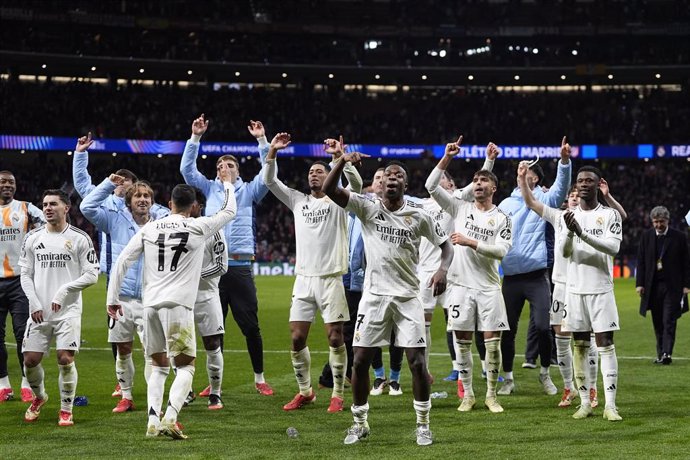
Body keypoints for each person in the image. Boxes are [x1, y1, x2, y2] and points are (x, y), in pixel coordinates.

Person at [323, 155, 453, 446]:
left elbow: (447, 247)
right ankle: (360, 423)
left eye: (398, 175)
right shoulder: (366, 206)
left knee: (417, 363)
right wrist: (342, 162)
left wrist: (442, 270)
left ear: (405, 184)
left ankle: (423, 425)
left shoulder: (419, 215)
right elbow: (331, 190)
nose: (392, 177)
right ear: (380, 185)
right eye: (388, 175)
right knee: (359, 361)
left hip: (408, 297)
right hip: (374, 297)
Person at [106, 180, 237, 439]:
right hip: (178, 305)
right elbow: (230, 211)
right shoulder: (198, 226)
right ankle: (171, 417)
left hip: (150, 305)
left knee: (158, 366)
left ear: (169, 204)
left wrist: (112, 298)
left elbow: (122, 260)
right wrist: (228, 185)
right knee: (186, 367)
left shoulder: (150, 227)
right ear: (192, 207)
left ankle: (152, 421)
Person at [264, 134, 362, 413]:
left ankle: (339, 395)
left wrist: (339, 158)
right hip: (304, 279)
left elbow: (355, 185)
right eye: (311, 172)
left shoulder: (338, 202)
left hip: (332, 278)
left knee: (335, 338)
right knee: (296, 338)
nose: (315, 175)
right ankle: (305, 392)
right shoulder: (298, 201)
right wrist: (271, 151)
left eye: (320, 171)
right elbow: (270, 182)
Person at [520, 162, 624, 421]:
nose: (584, 184)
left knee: (605, 345)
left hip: (601, 289)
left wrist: (581, 233)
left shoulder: (610, 215)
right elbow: (566, 252)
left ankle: (610, 405)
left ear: (597, 185)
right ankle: (585, 402)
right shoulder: (567, 216)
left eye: (589, 181)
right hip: (574, 291)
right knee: (579, 347)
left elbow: (612, 249)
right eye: (580, 181)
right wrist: (570, 232)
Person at [180, 115, 273, 396]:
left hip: (241, 267)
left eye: (229, 165)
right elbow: (187, 170)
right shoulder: (208, 189)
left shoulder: (249, 191)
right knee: (212, 328)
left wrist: (261, 141)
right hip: (210, 268)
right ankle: (214, 381)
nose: (224, 168)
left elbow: (268, 173)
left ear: (238, 171)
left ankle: (259, 378)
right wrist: (195, 137)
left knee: (250, 326)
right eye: (220, 165)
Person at [72, 133, 169, 398]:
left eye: (129, 184)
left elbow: (168, 216)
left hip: (150, 284)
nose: (125, 188)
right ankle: (123, 383)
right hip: (117, 275)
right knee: (119, 337)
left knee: (155, 343)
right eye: (121, 184)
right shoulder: (108, 207)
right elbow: (84, 190)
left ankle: (157, 386)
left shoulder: (154, 211)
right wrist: (81, 155)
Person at [426, 138, 511, 413]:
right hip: (460, 286)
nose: (478, 183)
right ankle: (468, 395)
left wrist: (471, 242)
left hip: (488, 287)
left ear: (493, 188)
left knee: (492, 345)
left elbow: (501, 252)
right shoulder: (458, 207)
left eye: (484, 180)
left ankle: (491, 395)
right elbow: (430, 186)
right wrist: (446, 157)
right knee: (461, 343)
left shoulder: (502, 218)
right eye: (475, 179)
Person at [497, 136, 572, 396]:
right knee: (506, 330)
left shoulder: (544, 199)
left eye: (526, 170)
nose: (521, 172)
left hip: (537, 275)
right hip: (511, 277)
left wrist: (564, 162)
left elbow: (562, 190)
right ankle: (507, 378)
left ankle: (544, 374)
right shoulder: (505, 204)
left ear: (535, 178)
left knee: (543, 326)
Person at [20, 189, 99, 426]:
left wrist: (64, 290)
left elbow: (92, 274)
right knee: (30, 361)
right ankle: (40, 397)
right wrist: (34, 301)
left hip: (68, 311)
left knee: (65, 359)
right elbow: (25, 274)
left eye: (53, 204)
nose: (47, 208)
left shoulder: (79, 238)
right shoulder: (33, 237)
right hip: (39, 311)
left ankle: (66, 409)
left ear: (67, 208)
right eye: (44, 204)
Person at [0, 170, 45, 403]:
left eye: (11, 182)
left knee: (22, 334)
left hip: (19, 281)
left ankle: (26, 382)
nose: (8, 185)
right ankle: (3, 384)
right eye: (3, 182)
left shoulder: (27, 208)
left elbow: (48, 226)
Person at [188, 187, 228, 410]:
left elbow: (222, 265)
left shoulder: (213, 230)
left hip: (206, 296)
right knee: (181, 346)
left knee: (212, 344)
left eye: (189, 202)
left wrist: (193, 275)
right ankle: (186, 391)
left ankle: (215, 393)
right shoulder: (176, 228)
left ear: (198, 206)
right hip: (181, 298)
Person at [635, 206, 690, 364]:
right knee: (657, 321)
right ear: (652, 221)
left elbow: (686, 262)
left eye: (662, 221)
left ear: (668, 220)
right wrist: (639, 284)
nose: (659, 225)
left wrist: (687, 285)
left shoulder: (679, 237)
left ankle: (667, 354)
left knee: (669, 320)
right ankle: (660, 353)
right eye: (656, 222)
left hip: (672, 287)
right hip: (652, 287)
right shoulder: (646, 237)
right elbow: (641, 261)